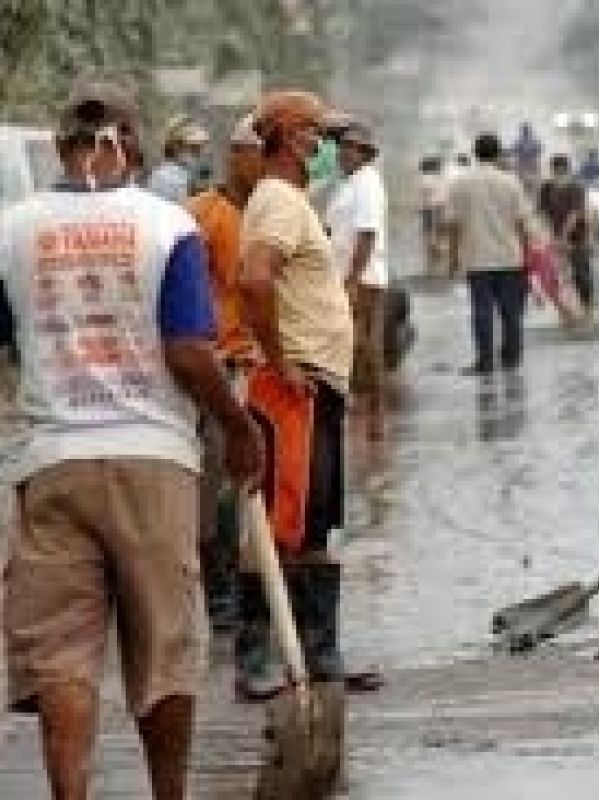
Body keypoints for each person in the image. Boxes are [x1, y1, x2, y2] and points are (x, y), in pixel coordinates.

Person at [0, 80, 264, 800]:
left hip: (53, 463)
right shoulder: (166, 224)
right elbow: (186, 350)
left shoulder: (12, 228)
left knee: (61, 655)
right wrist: (238, 428)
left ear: (61, 147)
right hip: (155, 458)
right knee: (166, 645)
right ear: (136, 146)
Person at [237, 89, 383, 699]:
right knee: (281, 519)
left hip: (317, 383)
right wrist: (279, 361)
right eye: (320, 136)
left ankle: (321, 654)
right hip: (292, 383)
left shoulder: (293, 201)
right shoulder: (275, 200)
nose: (327, 147)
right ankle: (259, 659)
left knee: (317, 520)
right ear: (295, 139)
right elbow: (253, 279)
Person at [186, 113, 266, 631]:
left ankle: (252, 580)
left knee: (258, 482)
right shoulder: (201, 215)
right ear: (236, 155)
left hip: (263, 363)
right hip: (220, 366)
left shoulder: (275, 212)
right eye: (257, 151)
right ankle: (220, 590)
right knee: (217, 481)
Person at [445, 132, 535, 375]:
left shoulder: (460, 183)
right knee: (511, 312)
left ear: (475, 153)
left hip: (477, 259)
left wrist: (452, 259)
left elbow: (453, 225)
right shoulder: (511, 182)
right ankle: (512, 358)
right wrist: (528, 255)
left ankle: (485, 362)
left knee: (482, 313)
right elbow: (522, 223)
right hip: (510, 258)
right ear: (498, 154)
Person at [327, 120, 390, 428]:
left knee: (364, 344)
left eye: (351, 149)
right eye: (342, 147)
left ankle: (376, 411)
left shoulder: (367, 183)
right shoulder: (349, 184)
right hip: (346, 274)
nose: (344, 153)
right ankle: (365, 407)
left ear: (364, 153)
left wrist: (353, 278)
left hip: (363, 276)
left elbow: (367, 233)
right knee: (355, 342)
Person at [538, 154, 593, 310]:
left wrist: (563, 238)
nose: (558, 174)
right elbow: (541, 213)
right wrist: (547, 236)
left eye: (561, 171)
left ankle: (587, 307)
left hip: (577, 236)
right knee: (557, 273)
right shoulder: (546, 188)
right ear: (552, 170)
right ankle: (564, 308)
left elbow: (574, 214)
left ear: (567, 170)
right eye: (556, 170)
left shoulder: (576, 188)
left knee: (581, 273)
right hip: (555, 236)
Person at [147, 114, 209, 204]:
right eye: (194, 148)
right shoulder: (165, 177)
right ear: (176, 146)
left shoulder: (187, 175)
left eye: (200, 148)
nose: (198, 155)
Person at [418, 155, 447, 275]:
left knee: (428, 229)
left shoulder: (422, 179)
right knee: (439, 228)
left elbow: (421, 195)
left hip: (428, 207)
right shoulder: (437, 178)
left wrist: (420, 207)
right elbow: (444, 193)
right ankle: (438, 247)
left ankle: (432, 247)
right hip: (439, 206)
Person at [511, 121, 543, 195]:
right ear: (529, 132)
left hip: (522, 167)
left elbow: (512, 152)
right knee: (533, 186)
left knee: (522, 186)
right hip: (532, 166)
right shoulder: (535, 142)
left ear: (522, 132)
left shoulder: (518, 142)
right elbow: (540, 151)